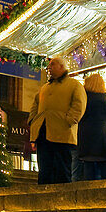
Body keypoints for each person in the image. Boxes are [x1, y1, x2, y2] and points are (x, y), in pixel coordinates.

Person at [29, 57, 87, 185]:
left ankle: (63, 199)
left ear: (62, 67)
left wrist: (69, 120)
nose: (49, 67)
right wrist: (33, 121)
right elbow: (35, 104)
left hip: (62, 133)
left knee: (62, 169)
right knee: (44, 169)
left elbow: (79, 104)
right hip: (43, 132)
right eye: (49, 65)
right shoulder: (44, 88)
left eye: (52, 64)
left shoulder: (74, 85)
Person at [77, 74, 106, 180]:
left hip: (85, 134)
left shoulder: (83, 97)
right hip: (101, 134)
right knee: (104, 167)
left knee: (88, 165)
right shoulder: (103, 97)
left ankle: (88, 192)